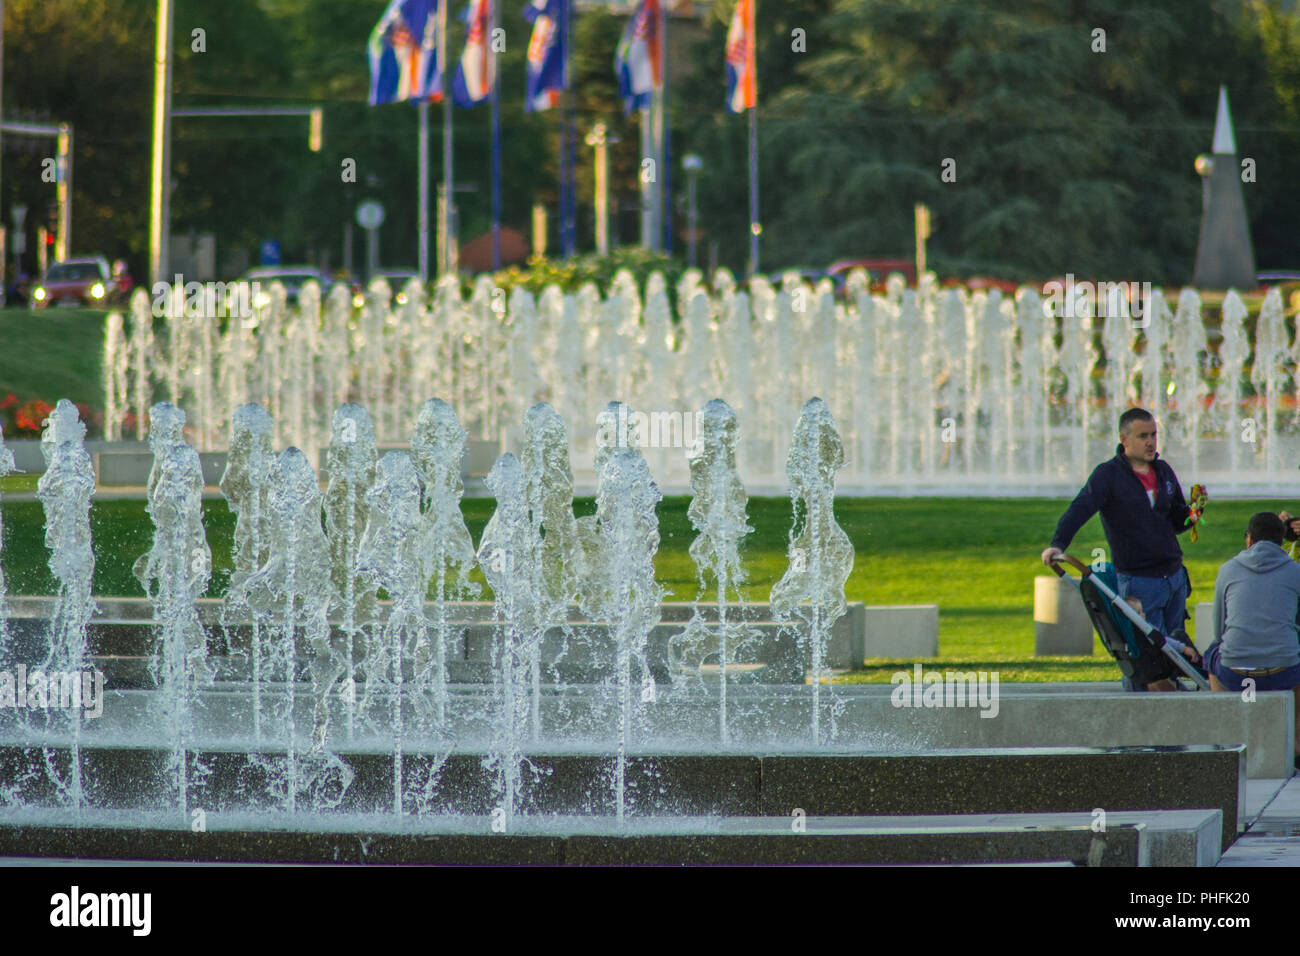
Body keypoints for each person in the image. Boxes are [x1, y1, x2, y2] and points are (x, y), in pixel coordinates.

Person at [1040, 408, 1201, 689]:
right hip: (1139, 581)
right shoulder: (1108, 476)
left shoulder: (1163, 471)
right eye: (1143, 436)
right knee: (1147, 657)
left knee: (1173, 653)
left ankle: (1174, 712)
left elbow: (1176, 520)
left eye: (1153, 435)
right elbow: (1080, 508)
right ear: (1124, 440)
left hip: (1174, 577)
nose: (1151, 442)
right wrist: (1058, 545)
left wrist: (1193, 514)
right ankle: (1139, 712)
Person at [1205, 512, 1300, 767]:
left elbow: (1218, 630)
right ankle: (1297, 738)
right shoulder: (1295, 571)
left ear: (1249, 540)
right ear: (1282, 541)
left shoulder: (1228, 569)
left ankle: (1225, 734)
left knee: (1211, 654)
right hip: (1284, 672)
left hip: (1235, 672)